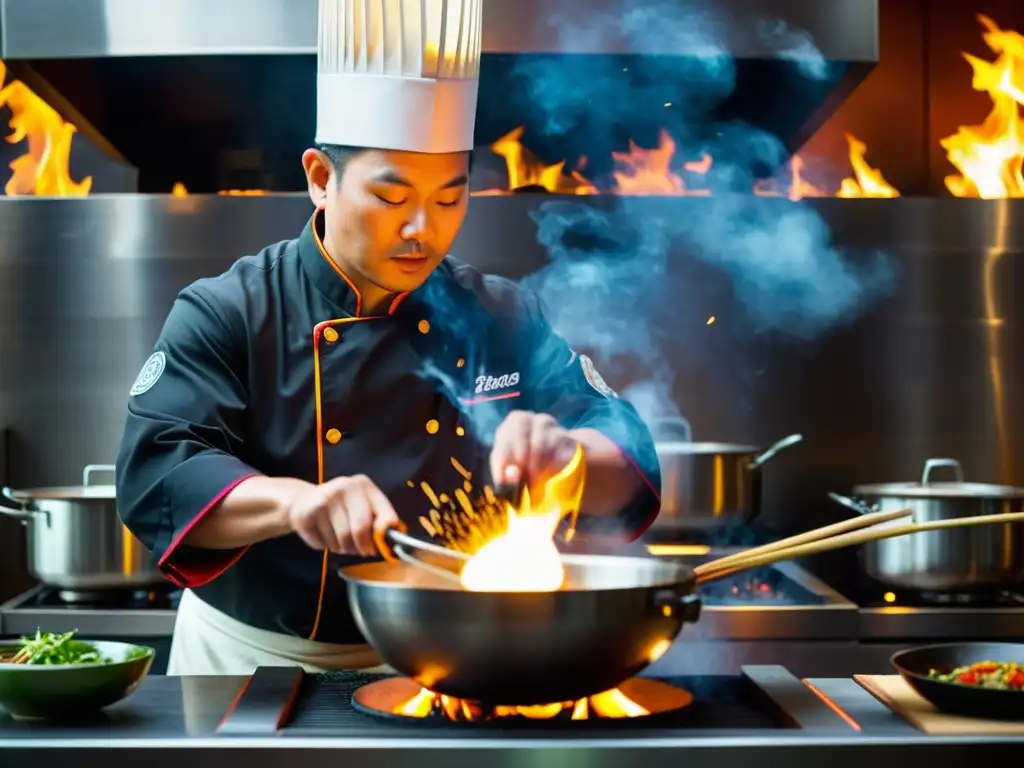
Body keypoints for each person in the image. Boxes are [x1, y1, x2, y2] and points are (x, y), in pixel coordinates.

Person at [115, 0, 661, 676]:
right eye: (392, 197)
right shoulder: (228, 311)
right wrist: (298, 502)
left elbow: (624, 439)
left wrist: (571, 454)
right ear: (321, 179)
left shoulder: (503, 315)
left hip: (441, 657)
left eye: (449, 197)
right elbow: (160, 470)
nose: (423, 230)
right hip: (247, 661)